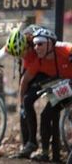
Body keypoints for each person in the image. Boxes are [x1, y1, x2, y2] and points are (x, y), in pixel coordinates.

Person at [20, 28, 72, 163]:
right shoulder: (38, 61)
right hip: (64, 88)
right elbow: (24, 82)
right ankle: (45, 152)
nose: (37, 48)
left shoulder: (66, 51)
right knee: (46, 115)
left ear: (50, 43)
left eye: (40, 44)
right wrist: (21, 104)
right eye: (35, 44)